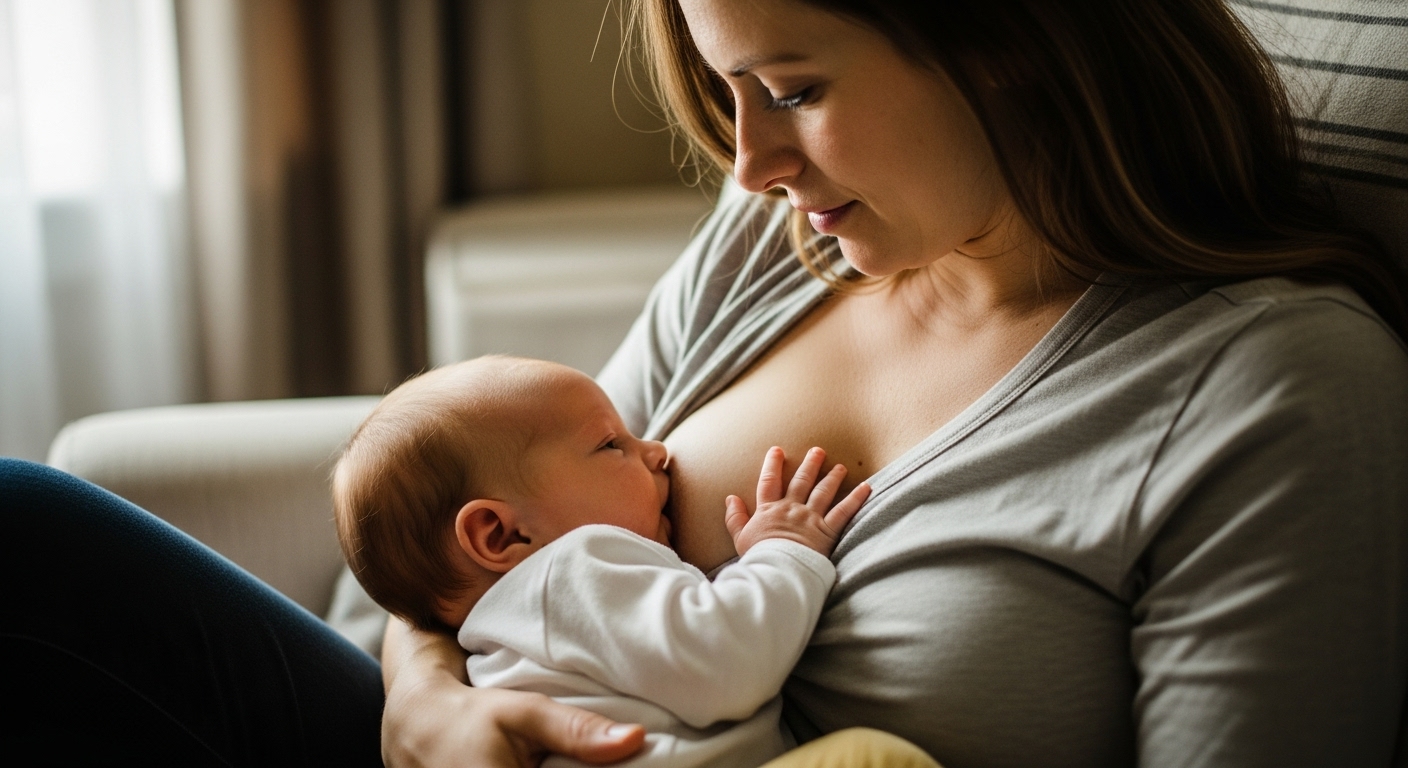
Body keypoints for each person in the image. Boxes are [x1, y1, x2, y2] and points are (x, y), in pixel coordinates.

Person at [2, 0, 1406, 766]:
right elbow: (450, 550)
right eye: (728, 89)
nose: (748, 164)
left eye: (791, 87)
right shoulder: (780, 247)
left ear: (1011, 39)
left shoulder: (1275, 388)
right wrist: (422, 704)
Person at [331, 355, 903, 768]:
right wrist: (785, 549)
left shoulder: (500, 623)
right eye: (612, 445)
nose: (658, 451)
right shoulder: (569, 569)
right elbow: (722, 660)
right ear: (500, 534)